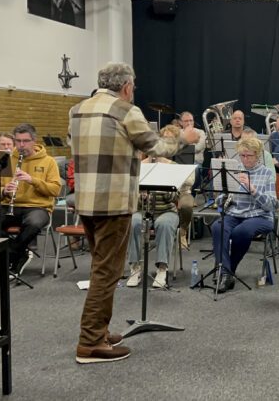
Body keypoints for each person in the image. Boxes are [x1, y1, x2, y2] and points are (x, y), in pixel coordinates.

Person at [70, 62, 199, 364]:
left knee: (101, 267)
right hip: (113, 202)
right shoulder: (126, 110)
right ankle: (89, 343)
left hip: (86, 201)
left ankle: (100, 332)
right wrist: (184, 138)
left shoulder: (76, 110)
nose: (133, 91)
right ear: (126, 86)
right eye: (134, 86)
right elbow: (157, 147)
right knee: (107, 272)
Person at [0, 124, 61, 276]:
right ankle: (18, 253)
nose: (21, 145)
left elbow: (55, 190)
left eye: (25, 141)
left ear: (34, 141)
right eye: (18, 141)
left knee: (34, 223)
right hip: (9, 205)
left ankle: (9, 257)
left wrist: (32, 180)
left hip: (37, 207)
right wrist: (5, 190)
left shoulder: (48, 161)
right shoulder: (4, 159)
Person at [126, 125, 195, 288]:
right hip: (143, 209)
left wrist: (164, 191)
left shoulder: (172, 167)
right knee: (133, 222)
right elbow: (130, 195)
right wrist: (140, 196)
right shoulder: (140, 166)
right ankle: (135, 268)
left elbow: (176, 197)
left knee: (164, 224)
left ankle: (162, 269)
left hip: (166, 210)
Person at [210, 137, 276, 293]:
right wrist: (223, 197)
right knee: (217, 227)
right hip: (235, 213)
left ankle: (226, 272)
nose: (245, 159)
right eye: (242, 155)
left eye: (249, 156)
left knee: (242, 231)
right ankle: (226, 273)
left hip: (260, 216)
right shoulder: (234, 171)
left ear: (258, 155)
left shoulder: (266, 173)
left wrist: (252, 188)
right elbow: (220, 200)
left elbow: (271, 205)